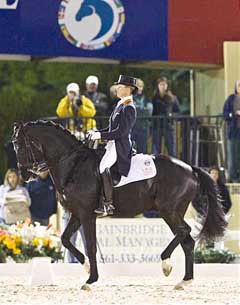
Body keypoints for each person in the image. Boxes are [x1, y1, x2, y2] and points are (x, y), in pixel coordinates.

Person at [88, 75, 138, 217]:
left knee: (103, 167)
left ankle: (107, 203)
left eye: (120, 87)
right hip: (112, 144)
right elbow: (111, 129)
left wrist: (101, 136)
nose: (117, 88)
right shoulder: (120, 105)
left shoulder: (129, 107)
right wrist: (97, 132)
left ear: (128, 90)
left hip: (120, 146)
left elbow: (121, 132)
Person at [152, 77, 180, 156]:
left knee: (171, 149)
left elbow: (178, 112)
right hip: (156, 126)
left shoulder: (173, 98)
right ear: (158, 86)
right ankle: (156, 166)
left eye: (164, 84)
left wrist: (172, 115)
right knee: (156, 150)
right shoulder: (154, 98)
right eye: (160, 84)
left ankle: (172, 166)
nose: (162, 86)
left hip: (168, 126)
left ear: (167, 86)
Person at [223, 80, 240, 182]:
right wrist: (235, 114)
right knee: (233, 155)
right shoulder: (231, 99)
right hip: (234, 131)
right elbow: (225, 114)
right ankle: (233, 177)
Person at [132, 79, 153, 153]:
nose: (138, 88)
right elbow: (131, 110)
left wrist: (138, 109)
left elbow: (149, 111)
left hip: (143, 128)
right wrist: (142, 109)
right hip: (132, 128)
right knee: (131, 151)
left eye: (140, 86)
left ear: (142, 87)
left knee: (142, 151)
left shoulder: (147, 99)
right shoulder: (130, 98)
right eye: (137, 86)